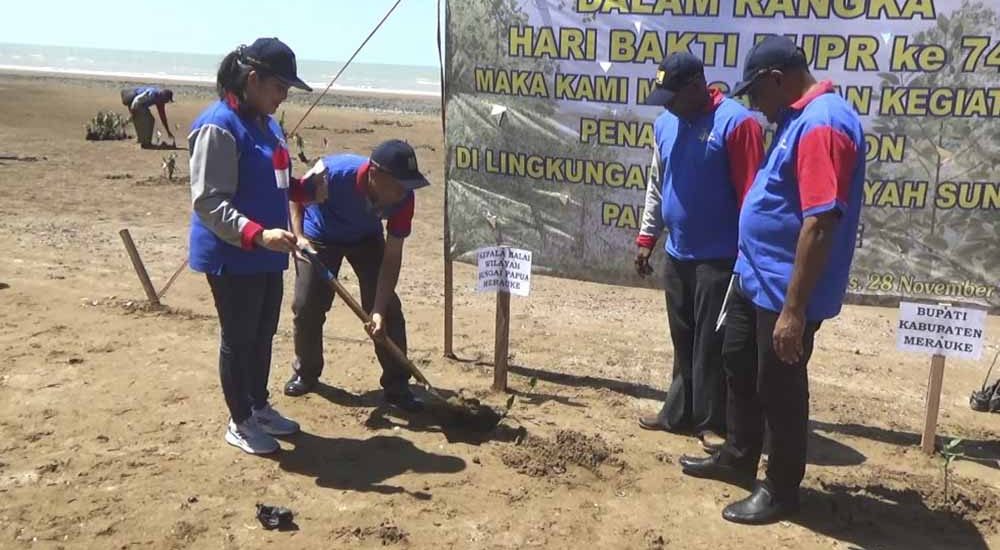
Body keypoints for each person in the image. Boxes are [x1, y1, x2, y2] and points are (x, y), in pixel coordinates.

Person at [679, 35, 865, 525]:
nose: (753, 106)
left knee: (778, 385)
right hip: (755, 276)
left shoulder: (823, 124)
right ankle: (739, 457)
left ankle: (781, 488)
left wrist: (795, 311)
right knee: (737, 359)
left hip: (786, 290)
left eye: (755, 93)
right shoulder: (795, 118)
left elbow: (821, 221)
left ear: (777, 80)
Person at [188, 38, 327, 455]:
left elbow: (277, 179)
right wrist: (256, 233)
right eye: (279, 87)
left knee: (264, 331)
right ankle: (240, 419)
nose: (283, 97)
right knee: (239, 336)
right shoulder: (217, 125)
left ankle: (258, 404)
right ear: (253, 79)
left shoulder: (268, 124)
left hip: (270, 249)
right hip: (232, 254)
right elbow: (209, 201)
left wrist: (304, 189)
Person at [635, 52, 763, 451]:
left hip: (720, 257)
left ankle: (711, 421)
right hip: (678, 252)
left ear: (696, 87)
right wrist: (646, 237)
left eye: (673, 95)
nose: (667, 104)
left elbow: (752, 197)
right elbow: (658, 183)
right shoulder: (665, 124)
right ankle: (678, 412)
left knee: (712, 343)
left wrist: (748, 258)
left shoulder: (738, 124)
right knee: (683, 337)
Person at [283, 140, 430, 413]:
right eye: (397, 184)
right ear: (374, 174)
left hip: (366, 238)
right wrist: (300, 236)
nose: (403, 192)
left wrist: (377, 309)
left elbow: (392, 256)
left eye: (407, 185)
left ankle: (397, 386)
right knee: (306, 305)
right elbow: (296, 195)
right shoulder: (334, 173)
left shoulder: (404, 199)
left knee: (390, 311)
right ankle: (307, 372)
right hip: (321, 236)